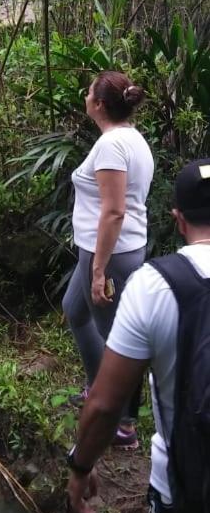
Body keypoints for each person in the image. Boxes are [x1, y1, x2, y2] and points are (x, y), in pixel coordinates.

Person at [67, 159, 210, 513]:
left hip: (186, 496)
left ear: (178, 218)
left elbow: (106, 403)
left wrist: (80, 465)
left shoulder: (155, 285)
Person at [62, 70, 154, 448]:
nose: (84, 96)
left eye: (88, 92)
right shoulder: (127, 138)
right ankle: (98, 390)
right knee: (75, 309)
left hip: (110, 255)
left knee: (118, 337)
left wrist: (98, 270)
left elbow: (114, 211)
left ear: (99, 104)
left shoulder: (112, 145)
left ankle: (124, 424)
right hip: (107, 250)